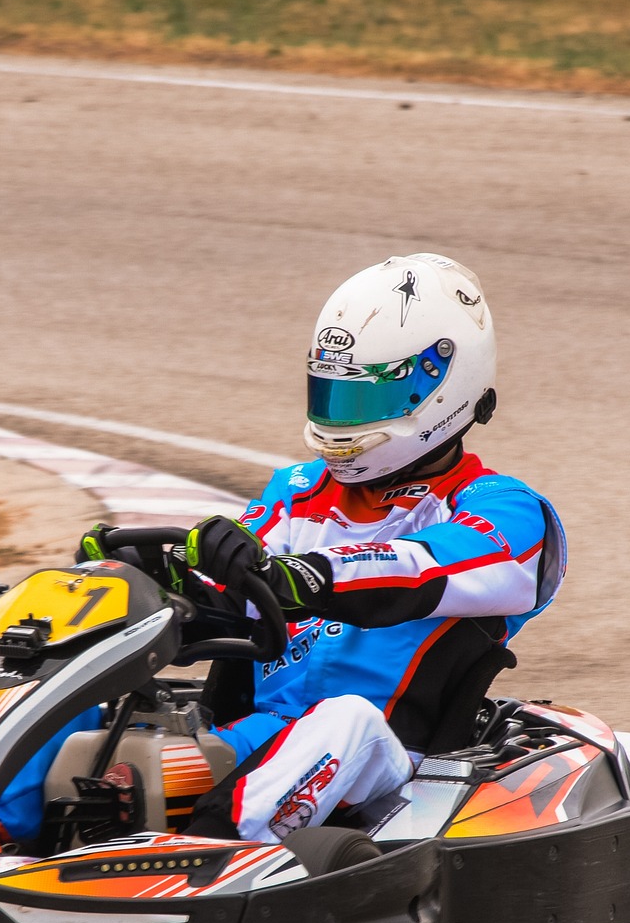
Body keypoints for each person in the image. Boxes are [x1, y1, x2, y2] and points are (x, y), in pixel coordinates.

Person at [82, 253, 565, 843]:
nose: (343, 422)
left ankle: (216, 856)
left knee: (346, 720)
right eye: (335, 396)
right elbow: (236, 592)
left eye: (363, 402)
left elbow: (424, 567)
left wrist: (308, 576)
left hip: (391, 761)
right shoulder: (295, 492)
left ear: (444, 387)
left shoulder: (504, 509)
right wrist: (151, 577)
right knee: (95, 707)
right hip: (258, 736)